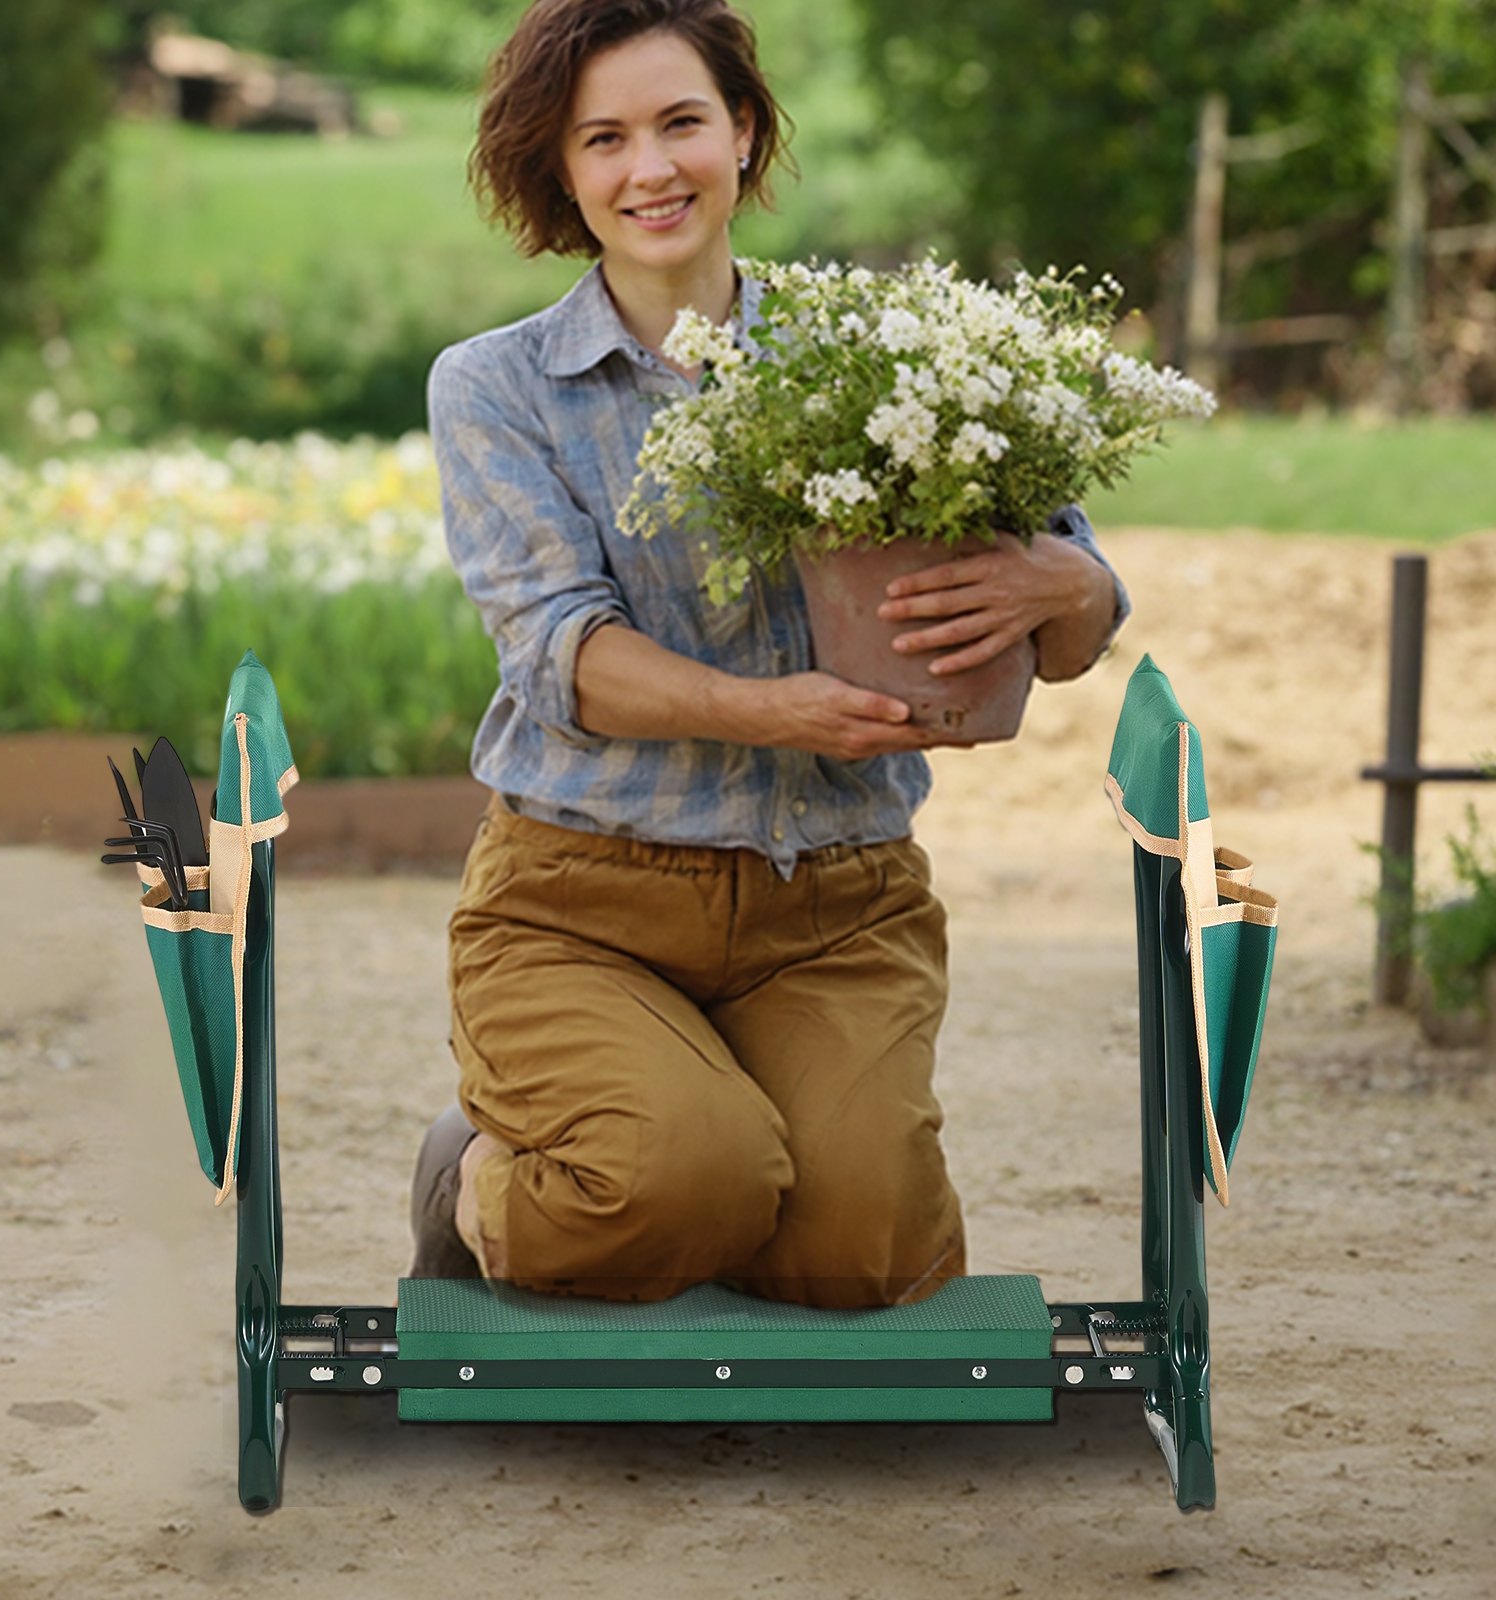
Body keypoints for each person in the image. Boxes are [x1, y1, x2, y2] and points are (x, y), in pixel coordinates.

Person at [409, 0, 1129, 1309]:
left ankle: (730, 1145)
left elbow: (1077, 631)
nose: (652, 168)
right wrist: (771, 712)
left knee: (866, 1247)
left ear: (742, 132)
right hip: (584, 905)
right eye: (604, 139)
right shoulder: (497, 387)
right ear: (561, 173)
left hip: (835, 907)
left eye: (683, 122)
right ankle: (474, 1184)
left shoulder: (870, 355)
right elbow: (562, 659)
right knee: (682, 1180)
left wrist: (1060, 575)